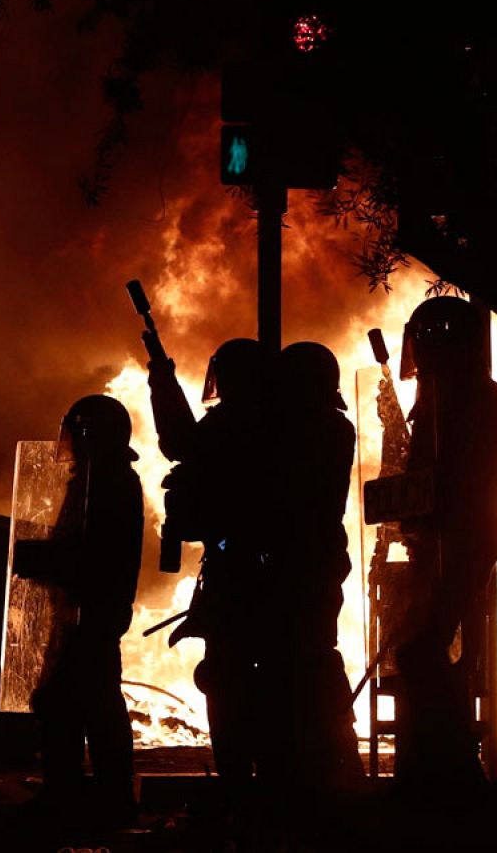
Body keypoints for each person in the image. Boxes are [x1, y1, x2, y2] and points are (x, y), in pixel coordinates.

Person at [393, 296, 497, 789]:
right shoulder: (453, 396)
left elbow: (461, 476)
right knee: (422, 649)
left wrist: (427, 510)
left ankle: (451, 764)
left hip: (459, 538)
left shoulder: (469, 399)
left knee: (421, 650)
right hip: (447, 537)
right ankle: (438, 761)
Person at [166, 338, 277, 788]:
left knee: (227, 677)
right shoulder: (276, 428)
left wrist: (162, 385)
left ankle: (239, 781)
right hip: (254, 570)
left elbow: (180, 445)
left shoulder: (233, 427)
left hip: (238, 572)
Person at [28, 394, 144, 814]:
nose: (71, 442)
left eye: (77, 433)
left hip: (91, 608)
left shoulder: (109, 483)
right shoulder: (98, 479)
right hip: (82, 606)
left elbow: (97, 552)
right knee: (78, 701)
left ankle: (87, 794)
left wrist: (48, 560)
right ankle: (85, 791)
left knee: (83, 701)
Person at [262, 341, 362, 792]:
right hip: (315, 556)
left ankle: (325, 763)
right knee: (310, 658)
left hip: (305, 558)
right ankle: (329, 760)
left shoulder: (317, 432)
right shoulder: (331, 428)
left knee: (306, 660)